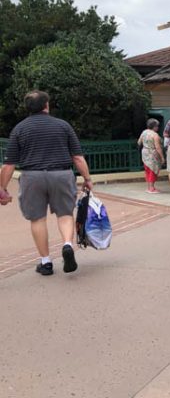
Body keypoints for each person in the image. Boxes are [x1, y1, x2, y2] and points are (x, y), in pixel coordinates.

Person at [0, 90, 93, 276]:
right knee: (65, 214)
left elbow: (9, 165)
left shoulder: (19, 129)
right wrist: (87, 179)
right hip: (61, 174)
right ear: (46, 105)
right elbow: (77, 157)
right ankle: (67, 245)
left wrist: (2, 188)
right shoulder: (63, 126)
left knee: (37, 218)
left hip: (32, 177)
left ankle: (46, 262)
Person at [137, 118, 164, 193]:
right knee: (153, 170)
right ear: (154, 126)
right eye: (157, 126)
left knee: (147, 170)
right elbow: (158, 147)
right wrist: (162, 157)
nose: (158, 128)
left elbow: (139, 142)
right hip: (153, 154)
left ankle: (149, 187)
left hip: (145, 152)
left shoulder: (144, 132)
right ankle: (152, 188)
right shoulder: (155, 135)